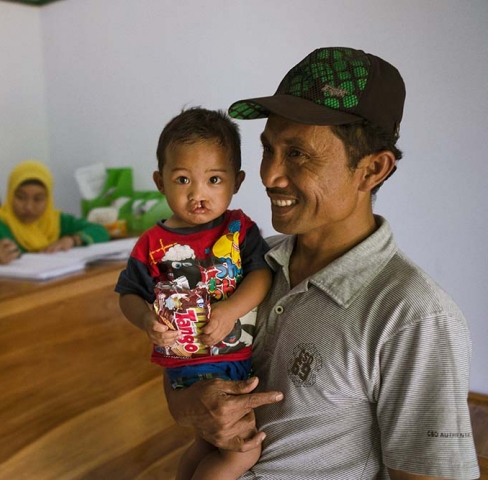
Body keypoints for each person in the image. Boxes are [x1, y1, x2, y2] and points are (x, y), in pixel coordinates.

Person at [164, 47, 480, 479]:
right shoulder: (241, 264)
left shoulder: (416, 316)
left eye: (297, 154)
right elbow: (183, 379)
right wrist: (191, 405)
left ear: (372, 170)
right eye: (268, 148)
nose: (269, 175)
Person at [115, 107, 273, 480]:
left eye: (214, 180)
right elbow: (128, 294)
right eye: (183, 179)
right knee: (242, 451)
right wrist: (145, 320)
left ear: (236, 181)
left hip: (233, 357)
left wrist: (231, 309)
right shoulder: (152, 244)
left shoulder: (238, 229)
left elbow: (261, 275)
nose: (198, 194)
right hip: (186, 367)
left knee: (205, 446)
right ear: (160, 181)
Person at [0, 160, 110, 272]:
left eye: (38, 199)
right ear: (10, 196)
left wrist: (72, 240)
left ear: (49, 199)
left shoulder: (56, 221)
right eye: (21, 197)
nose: (29, 207)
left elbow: (100, 231)